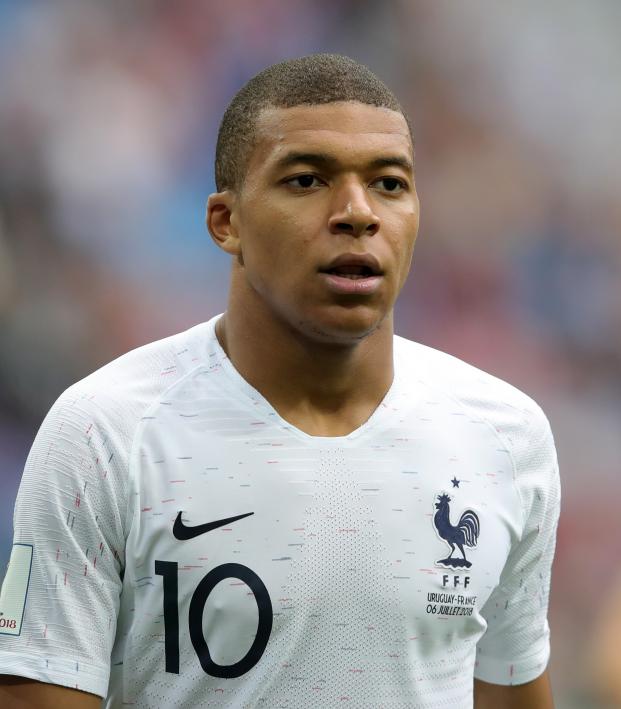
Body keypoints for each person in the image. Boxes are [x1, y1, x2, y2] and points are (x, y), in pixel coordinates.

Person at [0, 54, 559, 708]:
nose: (357, 212)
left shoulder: (504, 436)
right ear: (226, 222)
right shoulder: (105, 432)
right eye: (306, 180)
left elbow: (509, 689)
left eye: (388, 183)